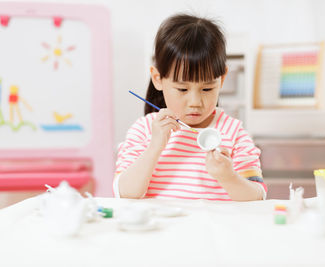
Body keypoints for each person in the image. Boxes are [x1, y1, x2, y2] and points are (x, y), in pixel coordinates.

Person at [114, 14, 266, 201]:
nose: (195, 102)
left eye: (207, 88)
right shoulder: (144, 130)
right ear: (157, 79)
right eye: (182, 89)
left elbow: (257, 197)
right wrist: (155, 147)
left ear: (223, 79)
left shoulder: (233, 133)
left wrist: (228, 177)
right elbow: (125, 193)